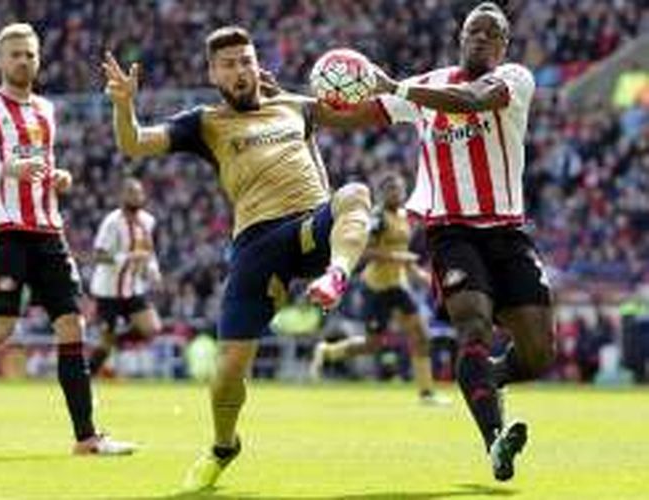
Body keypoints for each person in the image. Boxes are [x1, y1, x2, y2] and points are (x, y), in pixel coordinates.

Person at [103, 26, 375, 492]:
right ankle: (224, 445)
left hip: (310, 226)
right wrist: (123, 103)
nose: (240, 70)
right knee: (227, 373)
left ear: (257, 64)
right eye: (228, 64)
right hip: (256, 244)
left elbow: (365, 114)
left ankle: (335, 275)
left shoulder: (295, 106)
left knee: (355, 193)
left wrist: (393, 89)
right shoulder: (204, 122)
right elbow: (134, 143)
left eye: (246, 61)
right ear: (213, 73)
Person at [0, 22, 135, 458]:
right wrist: (2, 171)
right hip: (7, 232)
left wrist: (57, 178)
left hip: (49, 231)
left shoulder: (45, 111)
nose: (22, 60)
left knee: (73, 325)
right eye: (14, 53)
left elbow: (35, 167)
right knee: (0, 329)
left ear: (39, 59)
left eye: (29, 54)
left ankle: (86, 437)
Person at [363, 2, 556, 481]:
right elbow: (359, 112)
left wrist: (399, 86)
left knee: (538, 353)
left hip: (507, 231)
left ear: (505, 46)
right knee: (472, 326)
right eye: (475, 31)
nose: (482, 38)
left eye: (493, 34)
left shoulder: (514, 78)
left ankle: (490, 377)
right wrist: (290, 102)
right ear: (460, 37)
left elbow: (474, 100)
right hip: (450, 230)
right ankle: (494, 441)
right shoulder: (428, 87)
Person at [310, 174, 449, 406]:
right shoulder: (376, 218)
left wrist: (420, 275)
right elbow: (363, 252)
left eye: (399, 189)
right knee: (372, 344)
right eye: (391, 190)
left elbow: (404, 254)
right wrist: (396, 256)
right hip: (375, 287)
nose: (396, 193)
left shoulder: (405, 217)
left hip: (399, 284)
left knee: (421, 335)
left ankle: (426, 393)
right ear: (382, 194)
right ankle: (327, 352)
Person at [88, 177, 163, 376]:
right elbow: (98, 255)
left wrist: (153, 269)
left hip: (133, 288)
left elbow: (149, 250)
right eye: (132, 192)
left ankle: (115, 339)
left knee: (152, 328)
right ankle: (86, 380)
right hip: (107, 291)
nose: (137, 196)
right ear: (122, 196)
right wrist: (128, 257)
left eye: (139, 192)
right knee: (104, 344)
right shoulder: (112, 222)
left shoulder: (148, 221)